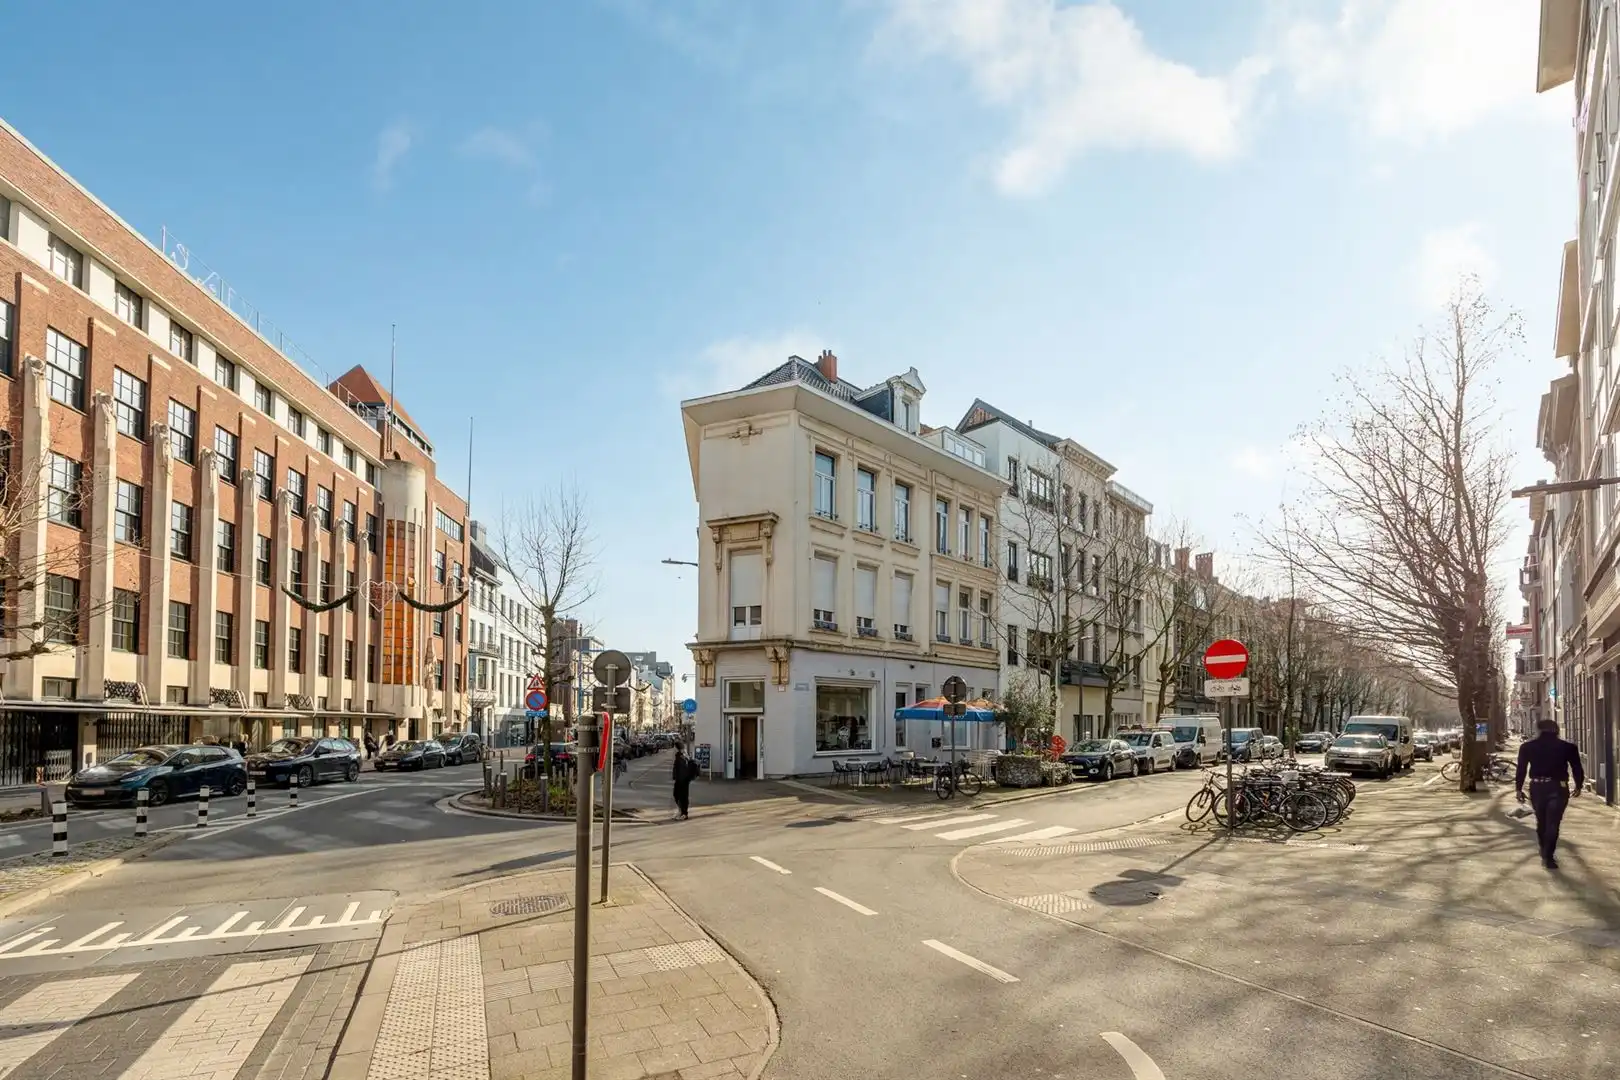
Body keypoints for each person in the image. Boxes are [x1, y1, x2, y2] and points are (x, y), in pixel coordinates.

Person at [1514, 718, 1584, 870]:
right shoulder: (1568, 747)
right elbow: (1576, 767)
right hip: (1559, 787)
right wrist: (1579, 785)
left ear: (1538, 730)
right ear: (1557, 730)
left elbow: (1521, 769)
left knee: (1541, 820)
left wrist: (1518, 788)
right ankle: (1548, 856)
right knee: (1553, 822)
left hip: (1538, 787)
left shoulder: (1527, 747)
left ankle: (1544, 849)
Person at [672, 747, 695, 820]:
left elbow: (682, 770)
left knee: (683, 797)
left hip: (683, 780)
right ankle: (680, 811)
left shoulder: (682, 758)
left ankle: (684, 813)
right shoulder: (678, 757)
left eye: (675, 747)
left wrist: (681, 778)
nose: (673, 749)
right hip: (679, 780)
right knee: (676, 795)